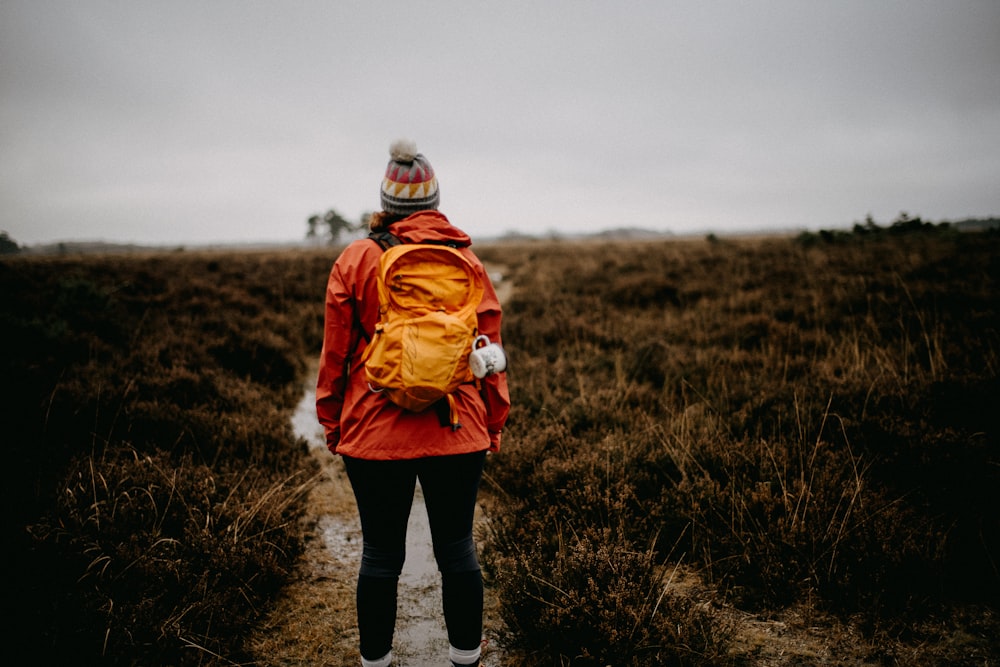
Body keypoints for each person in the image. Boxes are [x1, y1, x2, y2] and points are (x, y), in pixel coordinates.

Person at [316, 140, 510, 667]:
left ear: (386, 202)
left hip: (374, 431)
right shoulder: (466, 260)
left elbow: (334, 356)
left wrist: (334, 426)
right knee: (457, 550)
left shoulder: (356, 259)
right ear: (435, 202)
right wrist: (491, 423)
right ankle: (466, 658)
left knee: (380, 555)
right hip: (456, 428)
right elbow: (488, 353)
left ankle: (375, 663)